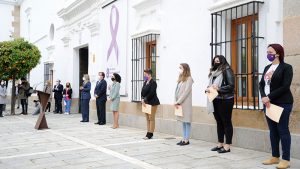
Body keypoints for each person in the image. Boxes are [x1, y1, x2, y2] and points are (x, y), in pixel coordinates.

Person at [259, 44, 294, 169]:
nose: (268, 53)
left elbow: (285, 86)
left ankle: (286, 159)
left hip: (283, 103)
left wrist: (269, 97)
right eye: (267, 51)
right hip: (268, 104)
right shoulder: (267, 67)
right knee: (273, 131)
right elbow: (261, 84)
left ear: (278, 53)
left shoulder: (286, 68)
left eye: (270, 51)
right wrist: (264, 97)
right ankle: (275, 156)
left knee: (282, 130)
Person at [206, 55, 235, 153]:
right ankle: (220, 143)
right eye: (215, 61)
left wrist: (219, 89)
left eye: (218, 61)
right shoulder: (213, 73)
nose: (216, 63)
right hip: (215, 99)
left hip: (225, 99)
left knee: (226, 122)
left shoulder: (227, 70)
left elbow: (231, 86)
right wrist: (208, 89)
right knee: (219, 122)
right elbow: (212, 85)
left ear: (223, 61)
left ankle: (227, 146)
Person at [175, 63, 194, 146]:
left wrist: (178, 101)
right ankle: (183, 138)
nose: (179, 69)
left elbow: (186, 92)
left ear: (185, 69)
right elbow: (177, 91)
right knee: (183, 121)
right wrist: (176, 101)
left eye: (180, 68)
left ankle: (187, 140)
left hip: (185, 104)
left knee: (187, 122)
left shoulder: (189, 79)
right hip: (180, 104)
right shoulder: (181, 79)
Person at [141, 69, 160, 139]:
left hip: (152, 103)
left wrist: (145, 99)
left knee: (151, 118)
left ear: (149, 75)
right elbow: (142, 92)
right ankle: (148, 132)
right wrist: (142, 99)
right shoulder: (145, 82)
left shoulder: (153, 83)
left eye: (145, 75)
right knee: (147, 119)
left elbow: (152, 93)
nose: (144, 76)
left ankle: (150, 133)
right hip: (146, 103)